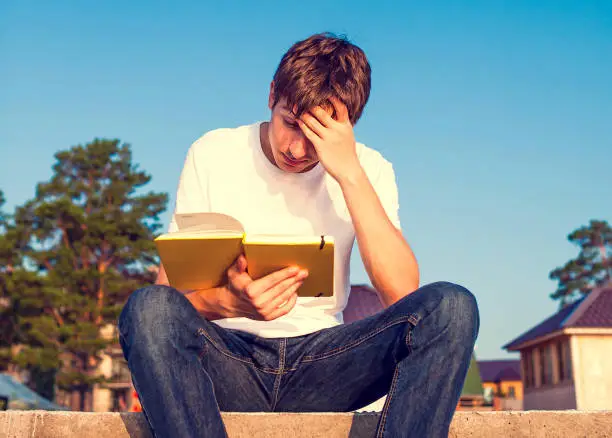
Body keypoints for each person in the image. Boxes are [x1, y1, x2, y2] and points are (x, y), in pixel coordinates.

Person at [118, 32, 479, 438]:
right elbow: (167, 299)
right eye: (290, 123)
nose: (297, 147)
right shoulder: (213, 152)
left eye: (318, 134)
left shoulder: (370, 169)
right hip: (228, 358)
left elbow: (402, 295)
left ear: (348, 124)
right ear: (272, 94)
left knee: (452, 306)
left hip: (328, 365)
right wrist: (229, 302)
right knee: (146, 307)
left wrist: (349, 174)